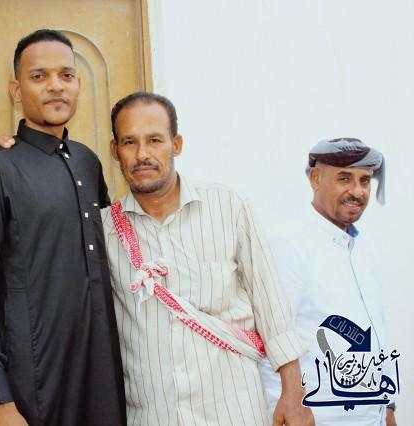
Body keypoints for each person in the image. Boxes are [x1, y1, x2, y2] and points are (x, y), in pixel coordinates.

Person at [102, 91, 313, 426]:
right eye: (130, 142)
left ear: (176, 144)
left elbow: (272, 306)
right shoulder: (104, 230)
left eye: (155, 140)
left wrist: (293, 394)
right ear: (115, 150)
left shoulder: (230, 208)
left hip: (233, 412)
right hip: (153, 415)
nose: (142, 154)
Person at [0, 29, 125, 426]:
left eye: (66, 75)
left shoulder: (88, 162)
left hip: (102, 379)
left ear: (78, 85)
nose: (55, 86)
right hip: (34, 387)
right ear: (16, 90)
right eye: (39, 76)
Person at [259, 138, 397, 426]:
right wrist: (286, 409)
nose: (357, 191)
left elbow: (376, 336)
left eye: (364, 180)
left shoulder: (362, 250)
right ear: (315, 178)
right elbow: (271, 339)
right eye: (344, 178)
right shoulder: (288, 245)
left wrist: (387, 406)